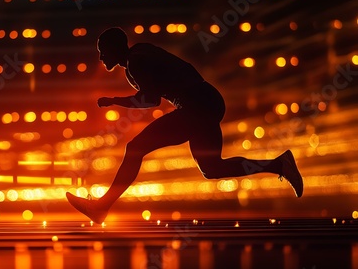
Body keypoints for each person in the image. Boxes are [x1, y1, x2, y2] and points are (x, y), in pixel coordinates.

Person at [66, 27, 303, 224]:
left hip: (196, 105)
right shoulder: (140, 54)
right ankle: (279, 164)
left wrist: (114, 101)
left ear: (115, 48)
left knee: (135, 148)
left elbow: (151, 99)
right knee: (212, 168)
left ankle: (102, 206)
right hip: (206, 101)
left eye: (103, 52)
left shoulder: (135, 61)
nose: (100, 57)